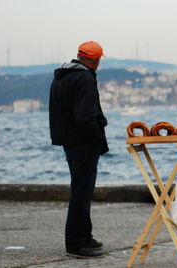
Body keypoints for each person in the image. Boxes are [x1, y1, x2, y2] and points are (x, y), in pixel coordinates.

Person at [49, 41, 109, 258]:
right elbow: (85, 117)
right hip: (84, 142)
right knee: (82, 193)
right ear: (95, 60)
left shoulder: (62, 75)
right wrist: (97, 138)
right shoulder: (84, 78)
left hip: (69, 141)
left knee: (80, 189)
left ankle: (85, 236)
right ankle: (76, 244)